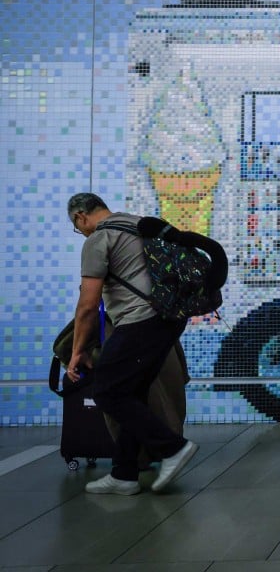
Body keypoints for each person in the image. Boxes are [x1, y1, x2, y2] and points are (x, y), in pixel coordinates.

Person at [66, 193, 198, 494]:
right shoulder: (138, 224)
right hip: (169, 320)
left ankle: (173, 449)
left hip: (139, 322)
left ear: (80, 216)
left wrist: (78, 352)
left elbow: (87, 305)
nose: (81, 232)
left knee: (107, 391)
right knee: (132, 393)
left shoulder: (98, 240)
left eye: (78, 227)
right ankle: (124, 474)